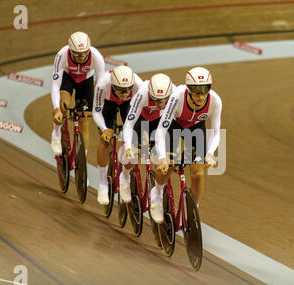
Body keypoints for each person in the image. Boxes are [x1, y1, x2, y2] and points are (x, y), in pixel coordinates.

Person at [151, 67, 222, 223]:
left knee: (198, 172)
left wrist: (209, 153)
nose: (201, 95)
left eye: (205, 89)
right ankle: (156, 193)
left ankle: (192, 209)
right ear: (188, 89)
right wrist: (162, 157)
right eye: (196, 90)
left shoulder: (215, 101)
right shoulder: (177, 97)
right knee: (168, 164)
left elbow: (216, 132)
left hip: (195, 127)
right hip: (173, 125)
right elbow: (161, 130)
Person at [120, 73, 176, 203]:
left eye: (163, 100)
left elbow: (176, 123)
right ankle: (125, 176)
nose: (160, 103)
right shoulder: (142, 94)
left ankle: (158, 191)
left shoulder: (175, 94)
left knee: (171, 157)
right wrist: (129, 147)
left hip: (160, 120)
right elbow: (129, 123)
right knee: (133, 152)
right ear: (150, 93)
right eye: (156, 100)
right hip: (141, 117)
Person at [92, 65, 143, 205]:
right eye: (120, 90)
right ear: (113, 85)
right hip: (108, 104)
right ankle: (102, 184)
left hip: (129, 105)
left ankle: (124, 176)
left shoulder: (139, 85)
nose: (124, 93)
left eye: (127, 89)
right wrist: (104, 129)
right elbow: (96, 111)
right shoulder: (103, 84)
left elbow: (141, 112)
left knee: (132, 141)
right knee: (105, 140)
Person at [50, 31, 105, 157]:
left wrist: (100, 113)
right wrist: (56, 108)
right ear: (70, 51)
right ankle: (57, 134)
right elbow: (55, 85)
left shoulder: (97, 57)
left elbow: (101, 88)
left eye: (83, 54)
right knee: (63, 106)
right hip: (68, 78)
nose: (80, 57)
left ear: (88, 50)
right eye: (76, 54)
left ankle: (82, 162)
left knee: (84, 122)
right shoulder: (62, 54)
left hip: (86, 81)